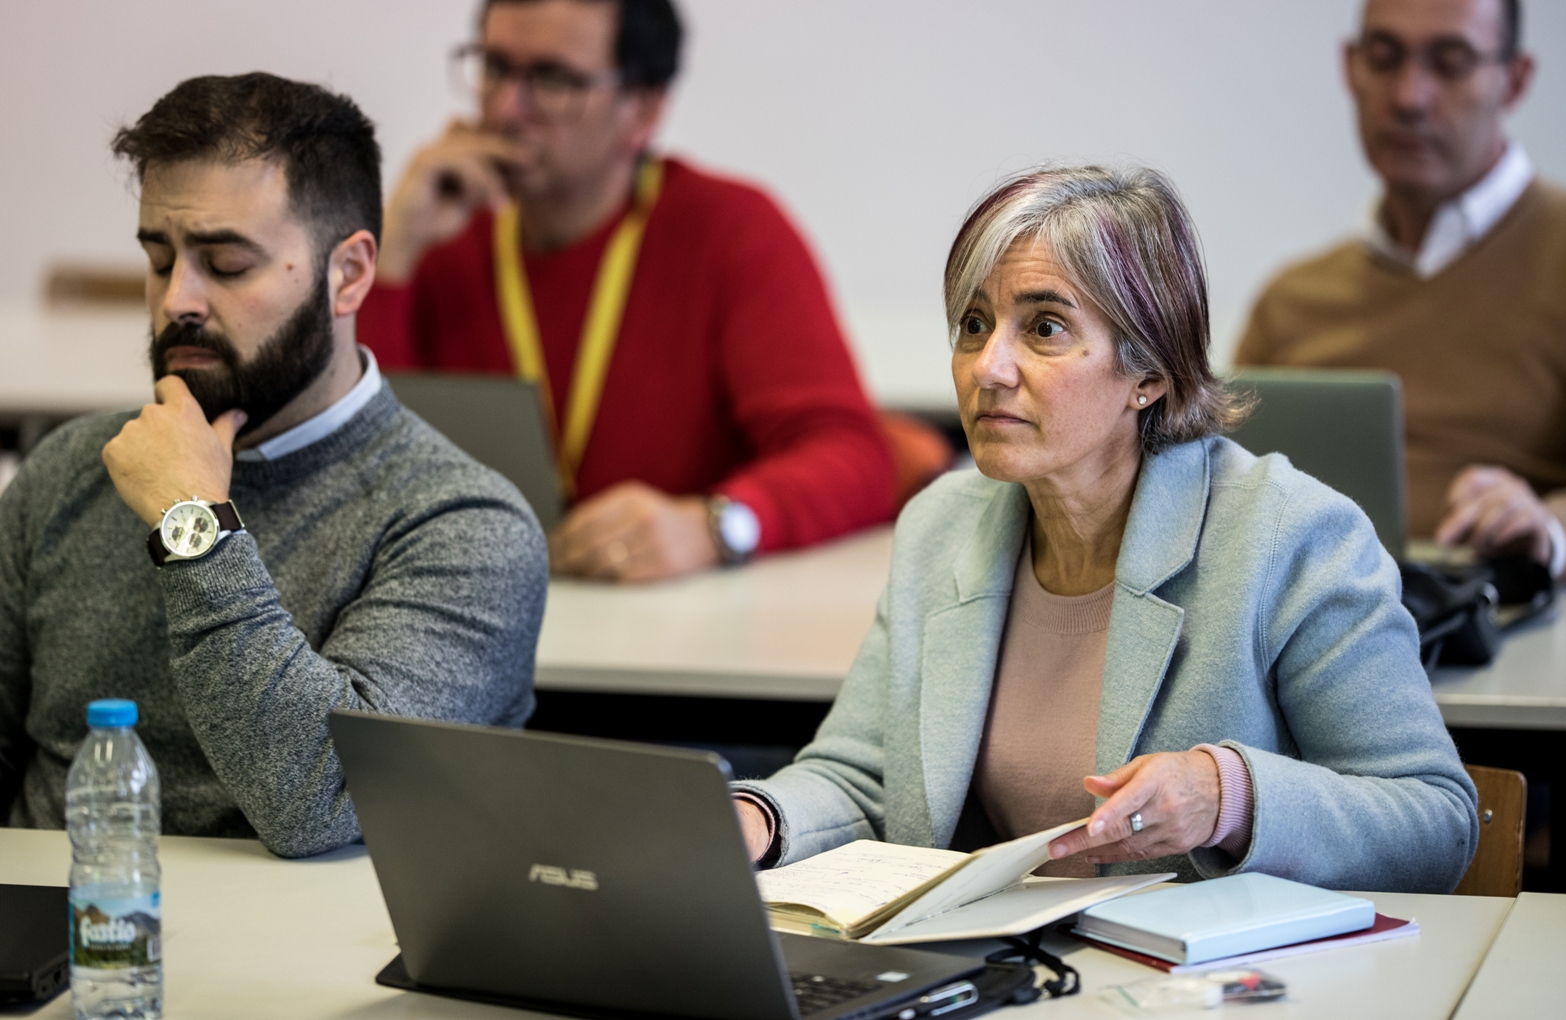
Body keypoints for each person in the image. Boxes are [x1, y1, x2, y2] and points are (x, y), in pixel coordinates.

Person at [730, 166, 1478, 893]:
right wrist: (757, 819)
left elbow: (1433, 822)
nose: (989, 366)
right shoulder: (940, 526)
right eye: (974, 324)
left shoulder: (1292, 534)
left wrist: (1231, 798)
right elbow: (861, 775)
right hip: (995, 975)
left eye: (1045, 328)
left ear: (1148, 374)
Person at [0, 74, 546, 858]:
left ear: (350, 273)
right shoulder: (72, 468)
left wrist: (192, 524)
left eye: (225, 265)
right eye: (160, 259)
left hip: (301, 968)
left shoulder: (462, 525)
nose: (176, 301)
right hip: (63, 938)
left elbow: (319, 799)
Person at [360, 0, 924, 583]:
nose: (505, 109)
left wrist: (713, 526)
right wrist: (389, 254)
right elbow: (364, 466)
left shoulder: (730, 232)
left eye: (554, 80)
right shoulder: (439, 235)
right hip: (484, 612)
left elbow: (853, 457)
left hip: (675, 631)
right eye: (497, 67)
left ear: (645, 110)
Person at [1236, 0, 1566, 579]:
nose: (1409, 96)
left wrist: (1547, 530)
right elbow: (1224, 486)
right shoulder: (1290, 300)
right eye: (1384, 60)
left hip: (1503, 617)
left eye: (1451, 63)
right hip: (1318, 623)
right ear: (1351, 69)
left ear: (1515, 79)